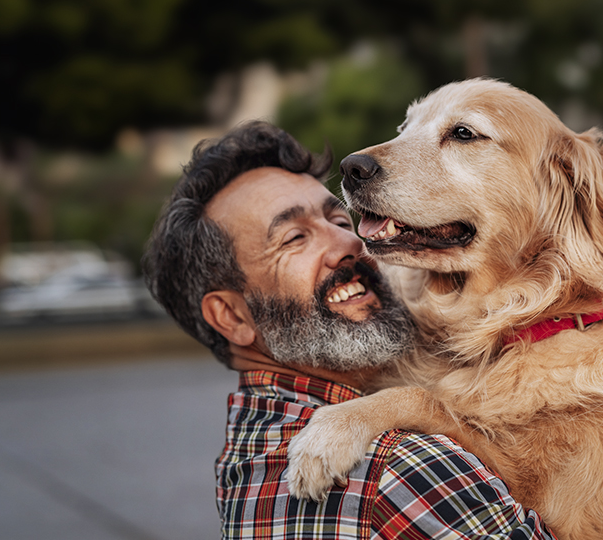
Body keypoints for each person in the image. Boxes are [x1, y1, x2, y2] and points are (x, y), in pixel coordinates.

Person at [142, 121, 555, 540]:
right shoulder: (399, 468)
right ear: (231, 317)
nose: (351, 244)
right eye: (294, 238)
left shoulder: (248, 455)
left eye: (340, 219)